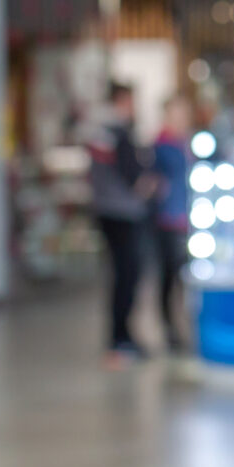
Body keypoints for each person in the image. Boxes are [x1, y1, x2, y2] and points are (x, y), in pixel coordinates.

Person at [85, 80, 149, 366]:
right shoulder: (118, 132)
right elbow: (132, 175)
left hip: (106, 210)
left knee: (121, 275)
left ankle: (120, 337)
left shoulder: (97, 131)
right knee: (127, 276)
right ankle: (120, 339)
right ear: (122, 100)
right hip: (122, 212)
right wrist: (147, 184)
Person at [149, 95, 197, 355]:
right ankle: (170, 329)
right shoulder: (161, 146)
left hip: (191, 219)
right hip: (169, 220)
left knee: (188, 279)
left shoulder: (189, 143)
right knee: (169, 278)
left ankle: (188, 327)